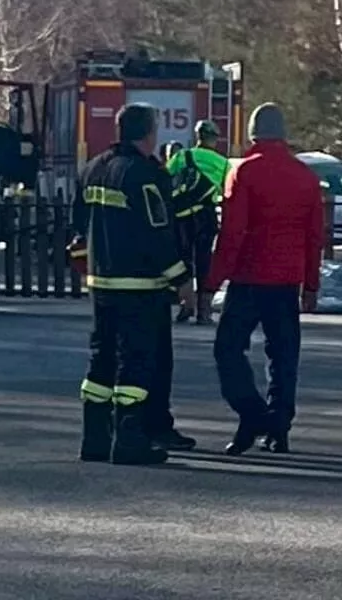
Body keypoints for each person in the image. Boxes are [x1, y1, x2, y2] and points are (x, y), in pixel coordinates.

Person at [70, 103, 190, 465]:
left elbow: (79, 227)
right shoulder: (145, 174)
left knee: (101, 359)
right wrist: (181, 279)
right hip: (140, 286)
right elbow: (158, 232)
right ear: (149, 133)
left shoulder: (93, 169)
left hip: (102, 284)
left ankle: (94, 438)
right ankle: (129, 440)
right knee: (136, 364)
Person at [204, 103, 324, 455]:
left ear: (253, 134)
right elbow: (314, 237)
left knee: (228, 349)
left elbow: (232, 233)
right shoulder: (305, 177)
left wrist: (212, 280)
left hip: (249, 277)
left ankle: (252, 413)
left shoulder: (244, 173)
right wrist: (311, 285)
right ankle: (279, 425)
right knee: (283, 354)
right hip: (286, 280)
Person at [166, 121, 229, 324]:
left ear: (197, 137)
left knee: (184, 260)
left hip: (182, 216)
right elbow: (227, 192)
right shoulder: (223, 163)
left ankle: (186, 304)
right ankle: (204, 311)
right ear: (215, 139)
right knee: (205, 262)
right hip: (206, 217)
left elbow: (165, 179)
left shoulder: (182, 156)